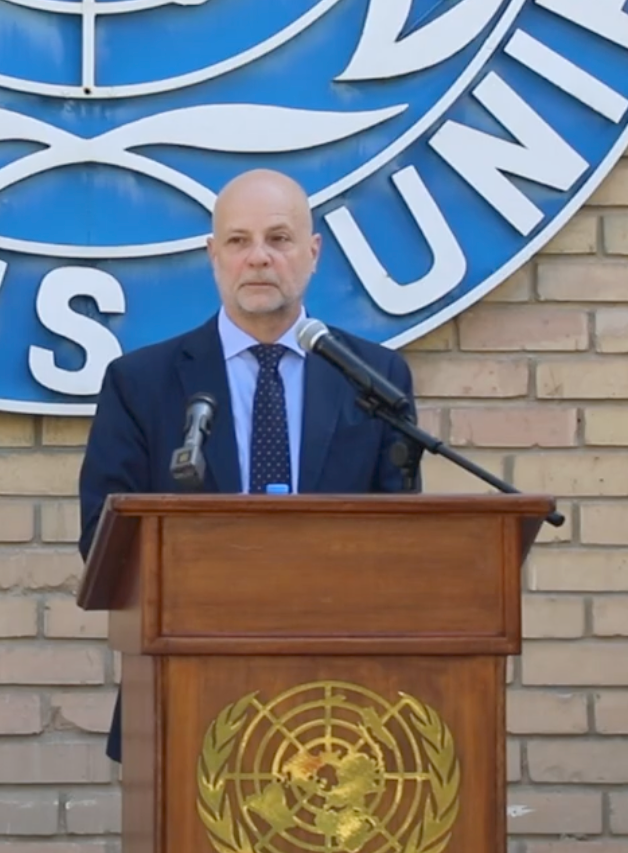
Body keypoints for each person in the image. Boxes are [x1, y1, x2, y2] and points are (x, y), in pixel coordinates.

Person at [78, 168, 420, 763]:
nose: (258, 258)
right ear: (214, 256)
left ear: (312, 253)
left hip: (342, 702)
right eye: (238, 241)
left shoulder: (374, 378)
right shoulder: (141, 383)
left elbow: (398, 543)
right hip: (184, 687)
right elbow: (103, 543)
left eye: (279, 239)